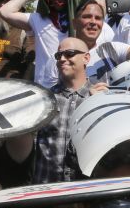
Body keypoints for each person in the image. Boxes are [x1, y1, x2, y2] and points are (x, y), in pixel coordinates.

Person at [0, 0, 108, 87]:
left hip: (74, 89)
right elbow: (4, 11)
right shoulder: (38, 19)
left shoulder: (79, 20)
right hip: (45, 88)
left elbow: (99, 10)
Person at [34, 37, 103, 183]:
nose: (62, 59)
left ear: (86, 58)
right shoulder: (44, 99)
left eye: (69, 53)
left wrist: (98, 104)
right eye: (59, 55)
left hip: (86, 191)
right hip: (48, 191)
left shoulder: (99, 98)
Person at [77, 0, 130, 80]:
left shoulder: (111, 49)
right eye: (87, 17)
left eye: (98, 18)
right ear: (74, 22)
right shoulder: (65, 53)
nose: (93, 22)